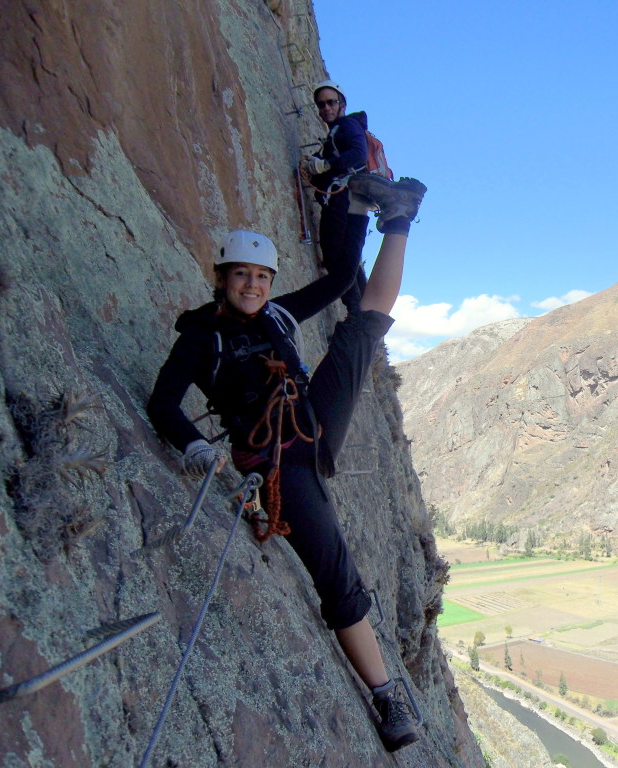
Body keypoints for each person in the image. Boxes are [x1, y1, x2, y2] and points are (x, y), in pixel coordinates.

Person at [147, 172, 427, 752]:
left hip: (312, 422)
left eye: (261, 277)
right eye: (242, 275)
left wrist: (353, 210)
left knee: (363, 327)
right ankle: (385, 696)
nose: (252, 285)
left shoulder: (277, 315)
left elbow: (342, 279)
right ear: (221, 278)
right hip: (278, 462)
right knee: (336, 573)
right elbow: (162, 402)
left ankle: (400, 217)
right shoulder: (201, 337)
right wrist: (195, 445)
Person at [300, 80, 371, 295]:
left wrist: (325, 164)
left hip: (342, 199)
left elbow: (359, 155)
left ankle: (356, 316)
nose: (326, 108)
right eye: (321, 105)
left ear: (342, 104)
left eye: (331, 102)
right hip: (350, 201)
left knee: (335, 258)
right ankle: (363, 314)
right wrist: (316, 162)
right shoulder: (337, 132)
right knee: (348, 259)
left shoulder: (347, 125)